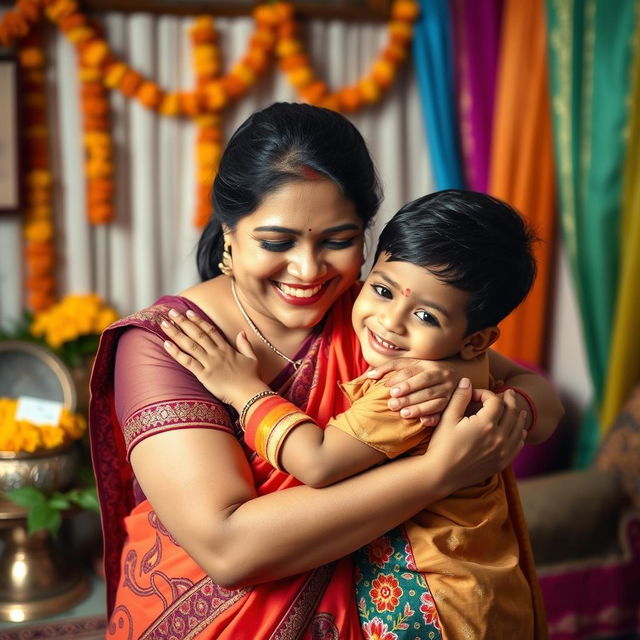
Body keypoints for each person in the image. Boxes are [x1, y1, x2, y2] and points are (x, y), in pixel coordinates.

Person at [90, 103, 563, 639]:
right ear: (229, 229)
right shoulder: (169, 344)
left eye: (337, 241)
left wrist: (505, 408)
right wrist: (437, 474)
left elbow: (541, 400)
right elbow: (229, 551)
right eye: (277, 242)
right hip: (216, 620)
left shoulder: (380, 317)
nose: (308, 270)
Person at [163, 189, 551, 639]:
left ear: (477, 340)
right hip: (483, 588)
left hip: (433, 608)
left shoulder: (411, 389)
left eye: (425, 316)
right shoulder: (460, 362)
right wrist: (515, 402)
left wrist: (240, 388)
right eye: (382, 291)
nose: (390, 321)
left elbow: (318, 462)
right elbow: (544, 397)